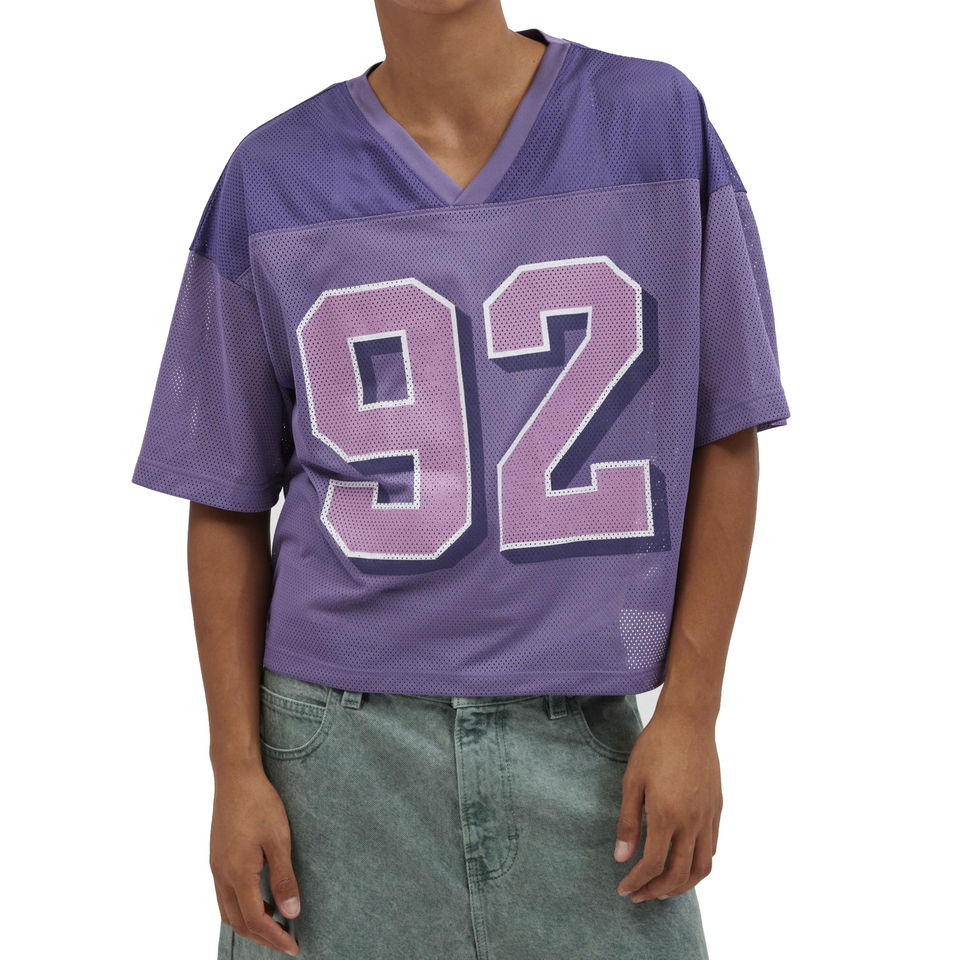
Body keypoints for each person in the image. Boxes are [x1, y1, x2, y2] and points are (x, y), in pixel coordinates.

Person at [132, 1, 790, 957]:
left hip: (590, 749)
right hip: (333, 760)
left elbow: (725, 430)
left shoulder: (654, 122)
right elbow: (226, 496)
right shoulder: (270, 177)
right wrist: (234, 770)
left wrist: (692, 711)